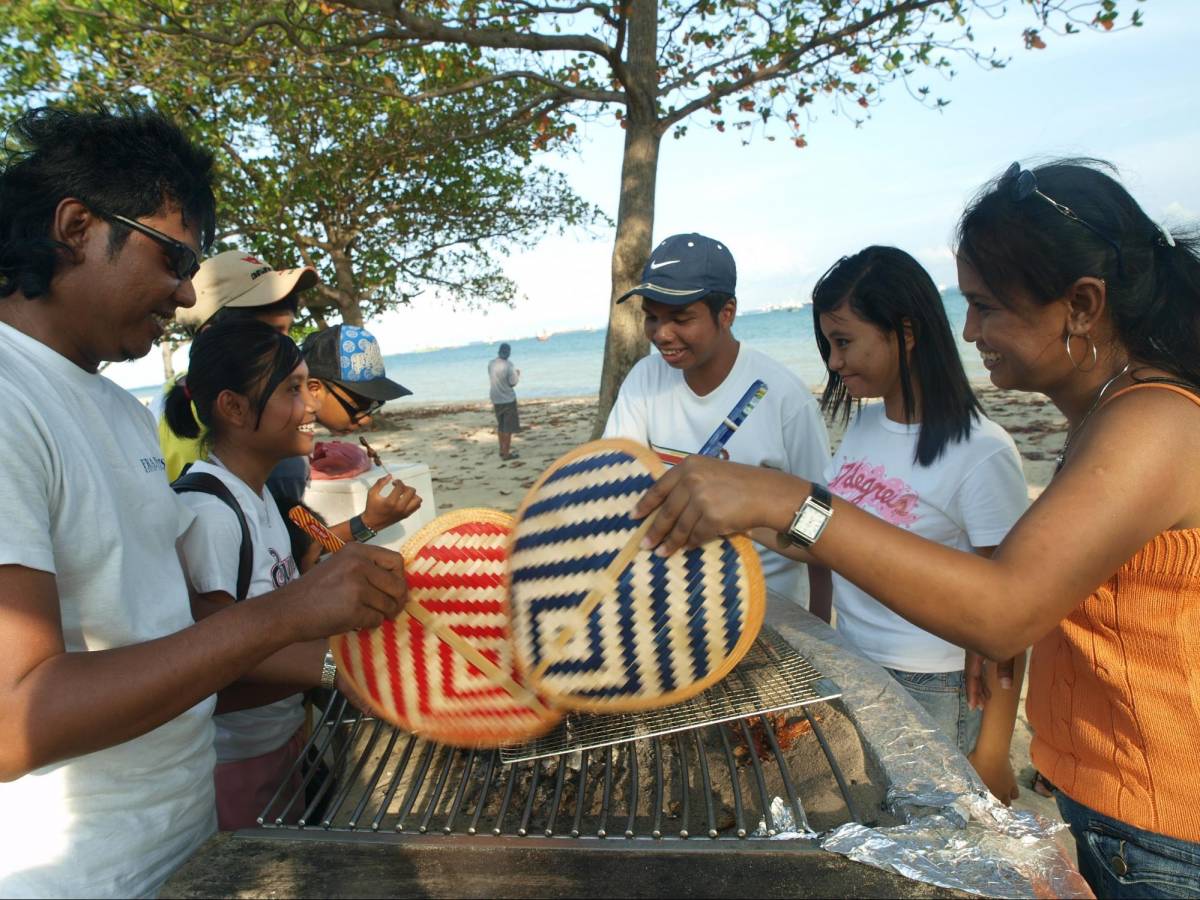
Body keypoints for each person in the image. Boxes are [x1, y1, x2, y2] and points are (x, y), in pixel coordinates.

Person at [634, 160, 1200, 897]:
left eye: (988, 306)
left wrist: (783, 499)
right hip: (1110, 801)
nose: (968, 329)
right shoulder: (1110, 417)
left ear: (1083, 305)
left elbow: (1004, 610)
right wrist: (759, 511)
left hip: (1160, 826)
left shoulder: (1153, 422)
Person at [0, 106, 406, 898]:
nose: (187, 292)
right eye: (173, 257)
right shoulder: (10, 402)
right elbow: (15, 720)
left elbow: (172, 631)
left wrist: (340, 654)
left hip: (188, 839)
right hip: (78, 873)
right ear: (77, 226)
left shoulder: (114, 409)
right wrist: (288, 617)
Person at [804, 246, 1029, 802]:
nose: (833, 362)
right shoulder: (865, 426)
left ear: (905, 332)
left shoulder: (982, 452)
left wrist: (993, 753)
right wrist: (745, 514)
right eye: (828, 345)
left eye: (844, 341)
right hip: (857, 662)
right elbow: (821, 532)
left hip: (935, 685)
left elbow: (1009, 623)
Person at [165, 319, 343, 829]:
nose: (313, 406)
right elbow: (215, 664)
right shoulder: (212, 512)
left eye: (311, 387)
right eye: (293, 389)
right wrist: (371, 523)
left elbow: (314, 556)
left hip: (284, 734)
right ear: (234, 406)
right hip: (236, 761)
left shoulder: (271, 492)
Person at [603, 232, 833, 619]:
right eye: (652, 317)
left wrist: (824, 630)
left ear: (726, 313)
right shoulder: (645, 379)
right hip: (667, 609)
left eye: (680, 318)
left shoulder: (784, 398)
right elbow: (612, 482)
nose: (661, 334)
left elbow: (824, 524)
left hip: (765, 613)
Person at [158, 249, 318, 481]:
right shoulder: (244, 436)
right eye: (271, 334)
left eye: (288, 332)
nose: (290, 348)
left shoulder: (180, 392)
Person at [264, 323, 421, 546]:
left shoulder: (288, 448)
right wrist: (369, 522)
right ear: (314, 388)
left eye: (375, 404)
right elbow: (297, 550)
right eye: (359, 404)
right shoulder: (285, 462)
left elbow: (296, 532)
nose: (367, 418)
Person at [489, 341, 521, 459]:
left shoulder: (491, 364)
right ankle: (506, 453)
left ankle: (502, 450)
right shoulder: (509, 365)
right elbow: (512, 383)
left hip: (495, 397)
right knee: (508, 428)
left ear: (499, 352)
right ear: (508, 353)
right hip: (507, 399)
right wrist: (517, 374)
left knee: (501, 426)